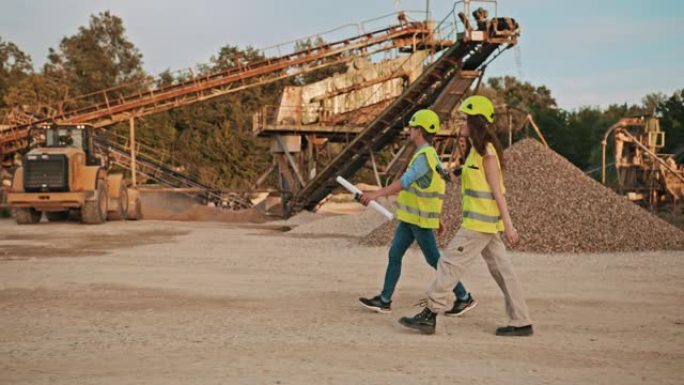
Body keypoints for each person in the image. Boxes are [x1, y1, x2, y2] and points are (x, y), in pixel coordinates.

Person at [398, 95, 534, 336]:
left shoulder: (488, 154)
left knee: (449, 262)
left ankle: (430, 313)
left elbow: (498, 192)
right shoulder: (475, 152)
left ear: (475, 122)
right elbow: (469, 175)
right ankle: (521, 321)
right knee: (503, 271)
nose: (460, 123)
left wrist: (510, 227)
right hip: (483, 224)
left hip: (478, 225)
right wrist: (452, 173)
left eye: (464, 119)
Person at [358, 109, 477, 316]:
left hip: (420, 220)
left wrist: (375, 194)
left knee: (435, 260)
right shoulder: (430, 156)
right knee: (395, 254)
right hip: (411, 218)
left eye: (412, 127)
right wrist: (437, 217)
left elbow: (404, 183)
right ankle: (384, 300)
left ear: (419, 131)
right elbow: (434, 187)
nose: (409, 130)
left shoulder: (424, 157)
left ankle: (464, 296)